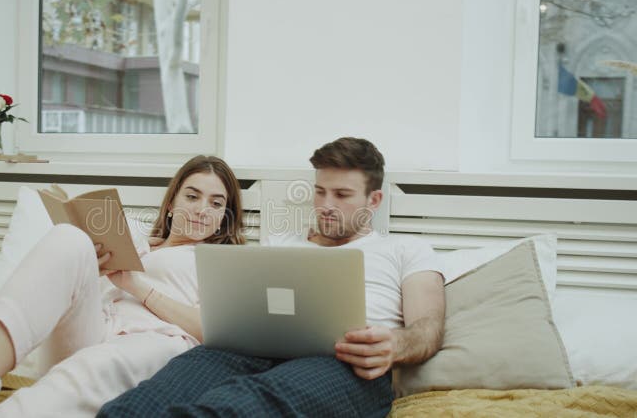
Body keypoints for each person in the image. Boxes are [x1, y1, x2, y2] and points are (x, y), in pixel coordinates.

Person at [97, 137, 446, 417]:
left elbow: (429, 327)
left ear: (375, 199)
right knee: (138, 405)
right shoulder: (277, 244)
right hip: (246, 350)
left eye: (341, 195)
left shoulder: (406, 250)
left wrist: (396, 345)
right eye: (320, 191)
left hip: (345, 364)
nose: (326, 203)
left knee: (235, 406)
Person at [0, 155, 245, 418]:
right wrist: (95, 270)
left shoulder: (220, 260)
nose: (203, 210)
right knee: (70, 238)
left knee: (93, 366)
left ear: (225, 215)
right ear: (171, 203)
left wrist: (136, 285)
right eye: (192, 196)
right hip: (92, 329)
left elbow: (215, 329)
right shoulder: (141, 243)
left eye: (216, 203)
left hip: (150, 342)